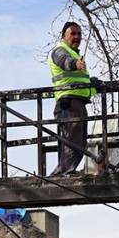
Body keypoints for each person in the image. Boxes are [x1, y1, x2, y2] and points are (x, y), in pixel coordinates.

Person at [49, 21, 96, 175]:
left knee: (79, 142)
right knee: (72, 142)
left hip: (78, 104)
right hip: (68, 104)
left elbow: (82, 82)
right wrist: (75, 64)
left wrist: (96, 85)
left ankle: (63, 171)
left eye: (79, 34)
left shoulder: (75, 54)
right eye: (73, 34)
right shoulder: (60, 51)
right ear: (64, 36)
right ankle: (64, 173)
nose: (77, 37)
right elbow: (65, 62)